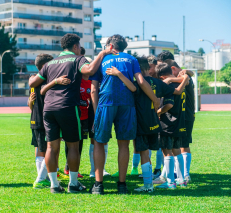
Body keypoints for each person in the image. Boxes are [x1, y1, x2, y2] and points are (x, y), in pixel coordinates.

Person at [29, 33, 115, 193]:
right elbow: (89, 70)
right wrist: (102, 54)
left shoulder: (51, 62)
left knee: (51, 147)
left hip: (48, 109)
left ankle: (54, 185)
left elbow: (34, 82)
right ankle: (73, 184)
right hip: (68, 107)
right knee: (73, 146)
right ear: (76, 46)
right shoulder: (77, 59)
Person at [89, 34, 160, 195]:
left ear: (110, 46)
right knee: (124, 144)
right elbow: (141, 82)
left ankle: (98, 185)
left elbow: (94, 89)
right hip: (127, 103)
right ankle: (122, 185)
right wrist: (155, 99)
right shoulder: (131, 59)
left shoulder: (102, 59)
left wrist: (96, 112)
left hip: (106, 102)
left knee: (99, 143)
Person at [133, 56, 189, 192]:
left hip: (145, 122)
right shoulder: (159, 83)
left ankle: (152, 185)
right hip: (156, 124)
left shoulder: (135, 84)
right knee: (171, 151)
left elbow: (169, 102)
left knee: (149, 153)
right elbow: (176, 91)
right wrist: (185, 79)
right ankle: (180, 179)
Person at [28, 54, 71, 189]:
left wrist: (30, 102)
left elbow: (31, 103)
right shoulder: (45, 80)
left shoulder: (34, 79)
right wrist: (56, 81)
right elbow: (39, 95)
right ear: (44, 66)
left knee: (41, 150)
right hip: (43, 120)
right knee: (48, 149)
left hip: (36, 119)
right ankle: (40, 179)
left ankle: (44, 177)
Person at [153, 63, 188, 189]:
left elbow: (169, 104)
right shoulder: (180, 83)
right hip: (179, 122)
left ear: (161, 77)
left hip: (168, 123)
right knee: (177, 152)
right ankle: (181, 180)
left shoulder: (167, 85)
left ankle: (171, 182)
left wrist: (158, 112)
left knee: (167, 152)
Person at [162, 59, 195, 183]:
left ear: (172, 69)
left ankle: (184, 175)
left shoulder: (182, 75)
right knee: (177, 146)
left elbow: (186, 77)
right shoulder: (184, 75)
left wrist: (170, 80)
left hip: (184, 116)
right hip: (184, 115)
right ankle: (174, 175)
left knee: (180, 145)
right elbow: (188, 74)